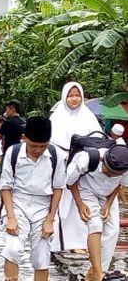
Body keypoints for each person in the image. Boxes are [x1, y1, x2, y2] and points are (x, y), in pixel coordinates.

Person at [0, 116, 65, 281]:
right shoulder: (13, 153)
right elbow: (5, 186)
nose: (38, 150)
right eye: (34, 145)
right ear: (24, 138)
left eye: (43, 146)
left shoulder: (56, 155)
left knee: (42, 256)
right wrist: (11, 217)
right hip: (18, 203)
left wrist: (50, 220)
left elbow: (59, 188)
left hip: (43, 206)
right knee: (13, 248)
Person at [66, 144, 128, 281]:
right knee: (95, 223)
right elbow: (70, 182)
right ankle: (99, 276)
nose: (110, 175)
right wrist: (80, 204)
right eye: (108, 172)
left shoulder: (125, 167)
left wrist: (108, 204)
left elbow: (119, 184)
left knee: (113, 230)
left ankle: (94, 272)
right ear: (103, 161)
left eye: (115, 174)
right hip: (85, 190)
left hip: (107, 195)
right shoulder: (87, 159)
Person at [50, 82, 102, 253]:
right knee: (64, 203)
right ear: (65, 97)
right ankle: (61, 242)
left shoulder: (88, 117)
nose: (74, 99)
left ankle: (81, 242)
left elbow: (98, 140)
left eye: (77, 95)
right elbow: (49, 144)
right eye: (70, 95)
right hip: (63, 165)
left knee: (82, 203)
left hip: (84, 167)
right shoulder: (57, 118)